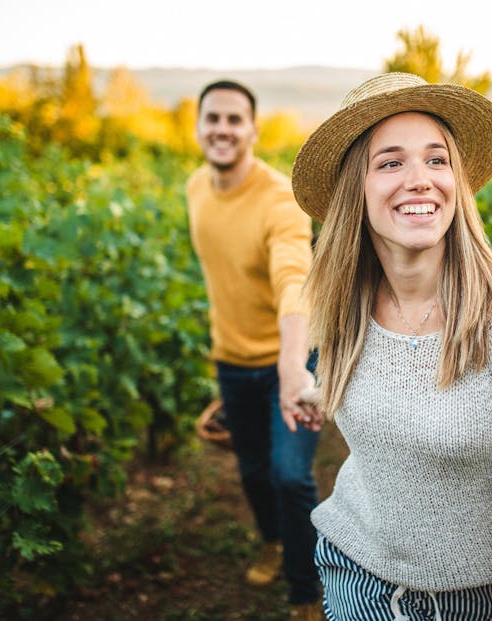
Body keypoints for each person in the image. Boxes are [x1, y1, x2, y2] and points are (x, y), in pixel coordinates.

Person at [290, 72, 492, 621]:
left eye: (437, 159)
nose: (420, 179)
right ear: (358, 188)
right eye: (391, 162)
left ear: (458, 182)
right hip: (355, 572)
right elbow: (376, 386)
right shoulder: (344, 300)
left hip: (475, 600)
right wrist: (320, 396)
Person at [186, 79, 322, 619]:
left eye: (234, 119)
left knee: (291, 476)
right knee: (252, 472)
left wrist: (293, 365)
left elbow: (295, 278)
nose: (222, 129)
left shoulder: (279, 199)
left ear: (253, 130)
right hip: (231, 361)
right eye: (212, 118)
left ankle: (306, 589)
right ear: (198, 127)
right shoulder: (196, 188)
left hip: (286, 360)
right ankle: (271, 540)